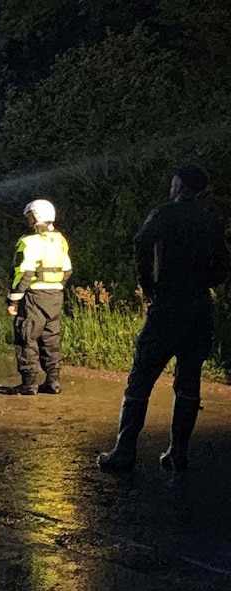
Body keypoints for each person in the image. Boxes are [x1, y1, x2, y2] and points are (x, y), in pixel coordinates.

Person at [98, 164, 230, 472]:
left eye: (173, 181)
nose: (170, 186)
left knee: (140, 380)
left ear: (181, 185)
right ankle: (178, 451)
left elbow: (141, 242)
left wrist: (149, 285)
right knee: (188, 381)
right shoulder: (209, 220)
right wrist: (206, 282)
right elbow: (224, 264)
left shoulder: (164, 214)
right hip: (198, 308)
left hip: (168, 304)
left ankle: (125, 451)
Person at [7, 199, 72, 395]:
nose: (28, 220)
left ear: (36, 216)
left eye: (29, 216)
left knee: (27, 338)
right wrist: (56, 287)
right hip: (55, 296)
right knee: (51, 340)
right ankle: (53, 382)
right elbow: (67, 270)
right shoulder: (60, 240)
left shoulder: (29, 241)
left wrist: (13, 299)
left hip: (34, 296)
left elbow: (23, 273)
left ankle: (29, 385)